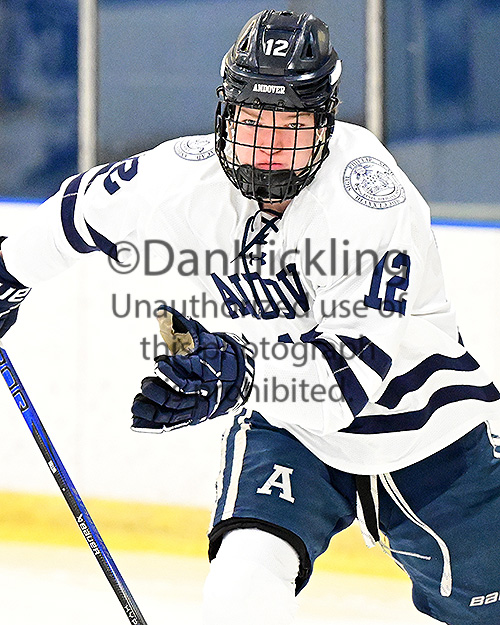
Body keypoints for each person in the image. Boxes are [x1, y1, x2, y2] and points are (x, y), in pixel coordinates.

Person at [1, 9, 499, 625]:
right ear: (224, 114)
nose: (268, 149)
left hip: (421, 426)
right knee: (240, 591)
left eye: (291, 126)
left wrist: (238, 375)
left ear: (325, 124)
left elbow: (348, 385)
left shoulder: (367, 199)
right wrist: (7, 275)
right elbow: (79, 211)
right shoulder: (187, 177)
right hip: (288, 425)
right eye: (252, 122)